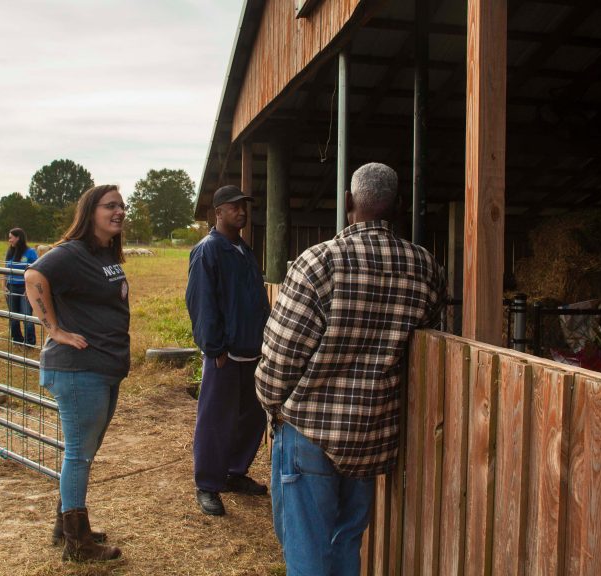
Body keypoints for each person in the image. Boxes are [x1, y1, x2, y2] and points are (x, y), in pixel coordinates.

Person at [255, 163, 447, 576]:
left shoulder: (319, 263)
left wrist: (273, 408)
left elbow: (279, 359)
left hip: (311, 432)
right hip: (373, 437)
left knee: (306, 549)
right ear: (397, 207)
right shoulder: (426, 269)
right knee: (346, 544)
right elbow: (427, 350)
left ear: (347, 203)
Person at [24, 184, 128, 562]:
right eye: (110, 206)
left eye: (121, 206)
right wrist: (54, 330)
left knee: (84, 452)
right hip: (78, 370)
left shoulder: (104, 253)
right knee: (80, 455)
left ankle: (65, 524)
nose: (119, 211)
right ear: (90, 211)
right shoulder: (71, 253)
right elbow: (34, 278)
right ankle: (78, 543)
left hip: (103, 367)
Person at [185, 184, 270, 517]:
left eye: (244, 206)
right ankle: (207, 484)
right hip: (225, 353)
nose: (242, 211)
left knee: (251, 417)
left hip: (253, 351)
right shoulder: (208, 250)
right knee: (215, 421)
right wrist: (215, 347)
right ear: (218, 213)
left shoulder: (243, 250)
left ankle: (235, 472)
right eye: (234, 207)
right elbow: (201, 302)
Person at [4, 228, 38, 346]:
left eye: (11, 237)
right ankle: (17, 340)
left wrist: (30, 289)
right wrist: (4, 286)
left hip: (25, 289)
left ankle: (29, 342)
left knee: (26, 315)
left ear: (18, 237)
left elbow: (36, 271)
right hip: (11, 287)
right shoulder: (10, 252)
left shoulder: (31, 252)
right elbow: (5, 270)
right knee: (13, 316)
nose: (9, 240)